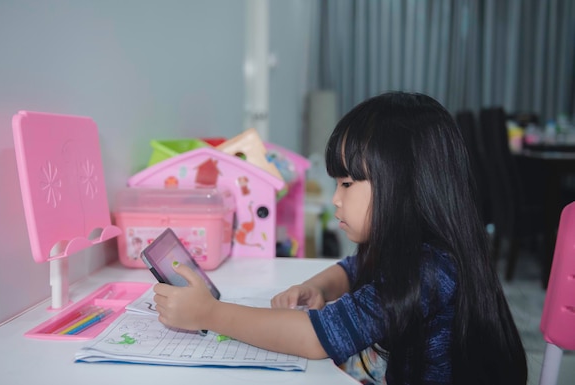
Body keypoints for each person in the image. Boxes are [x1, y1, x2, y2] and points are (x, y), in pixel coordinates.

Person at [152, 91, 528, 385]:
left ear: (405, 187)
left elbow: (317, 338)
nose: (335, 198)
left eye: (347, 184)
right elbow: (353, 268)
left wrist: (209, 313)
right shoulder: (414, 247)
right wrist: (315, 286)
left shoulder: (430, 269)